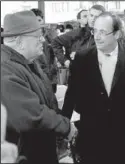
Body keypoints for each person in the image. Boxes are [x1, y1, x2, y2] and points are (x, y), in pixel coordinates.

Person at [62, 12, 125, 164]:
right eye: (95, 31)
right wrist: (65, 124)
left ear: (117, 34)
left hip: (120, 128)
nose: (97, 37)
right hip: (90, 130)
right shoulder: (82, 58)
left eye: (103, 32)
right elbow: (71, 93)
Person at [1, 10, 76, 163]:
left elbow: (47, 103)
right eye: (37, 36)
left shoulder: (28, 63)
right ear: (19, 41)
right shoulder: (5, 70)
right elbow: (31, 115)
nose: (43, 39)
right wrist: (66, 127)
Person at [51, 4, 106, 69]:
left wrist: (80, 55)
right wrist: (64, 61)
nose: (93, 19)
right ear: (88, 16)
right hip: (76, 75)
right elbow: (55, 42)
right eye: (91, 15)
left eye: (97, 17)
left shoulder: (107, 36)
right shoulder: (77, 33)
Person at [31, 8, 58, 93]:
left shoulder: (50, 34)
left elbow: (56, 50)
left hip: (51, 73)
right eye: (35, 20)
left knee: (52, 96)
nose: (38, 23)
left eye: (39, 20)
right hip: (38, 73)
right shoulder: (30, 37)